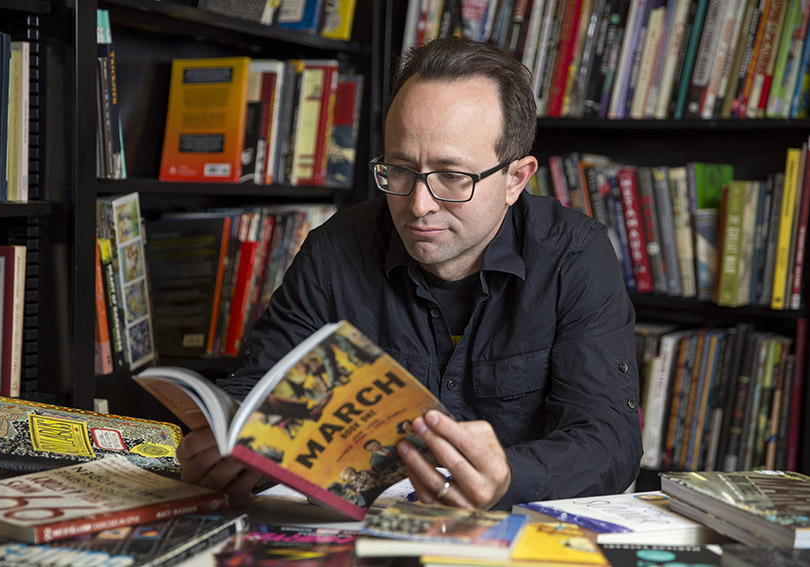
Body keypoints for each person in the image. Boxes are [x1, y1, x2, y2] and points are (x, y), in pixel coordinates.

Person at [177, 36, 643, 511]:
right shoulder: (334, 250)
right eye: (400, 170)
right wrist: (222, 449)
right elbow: (260, 391)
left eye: (452, 177)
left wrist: (509, 477)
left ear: (515, 179)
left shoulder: (575, 256)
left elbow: (609, 441)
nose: (418, 206)